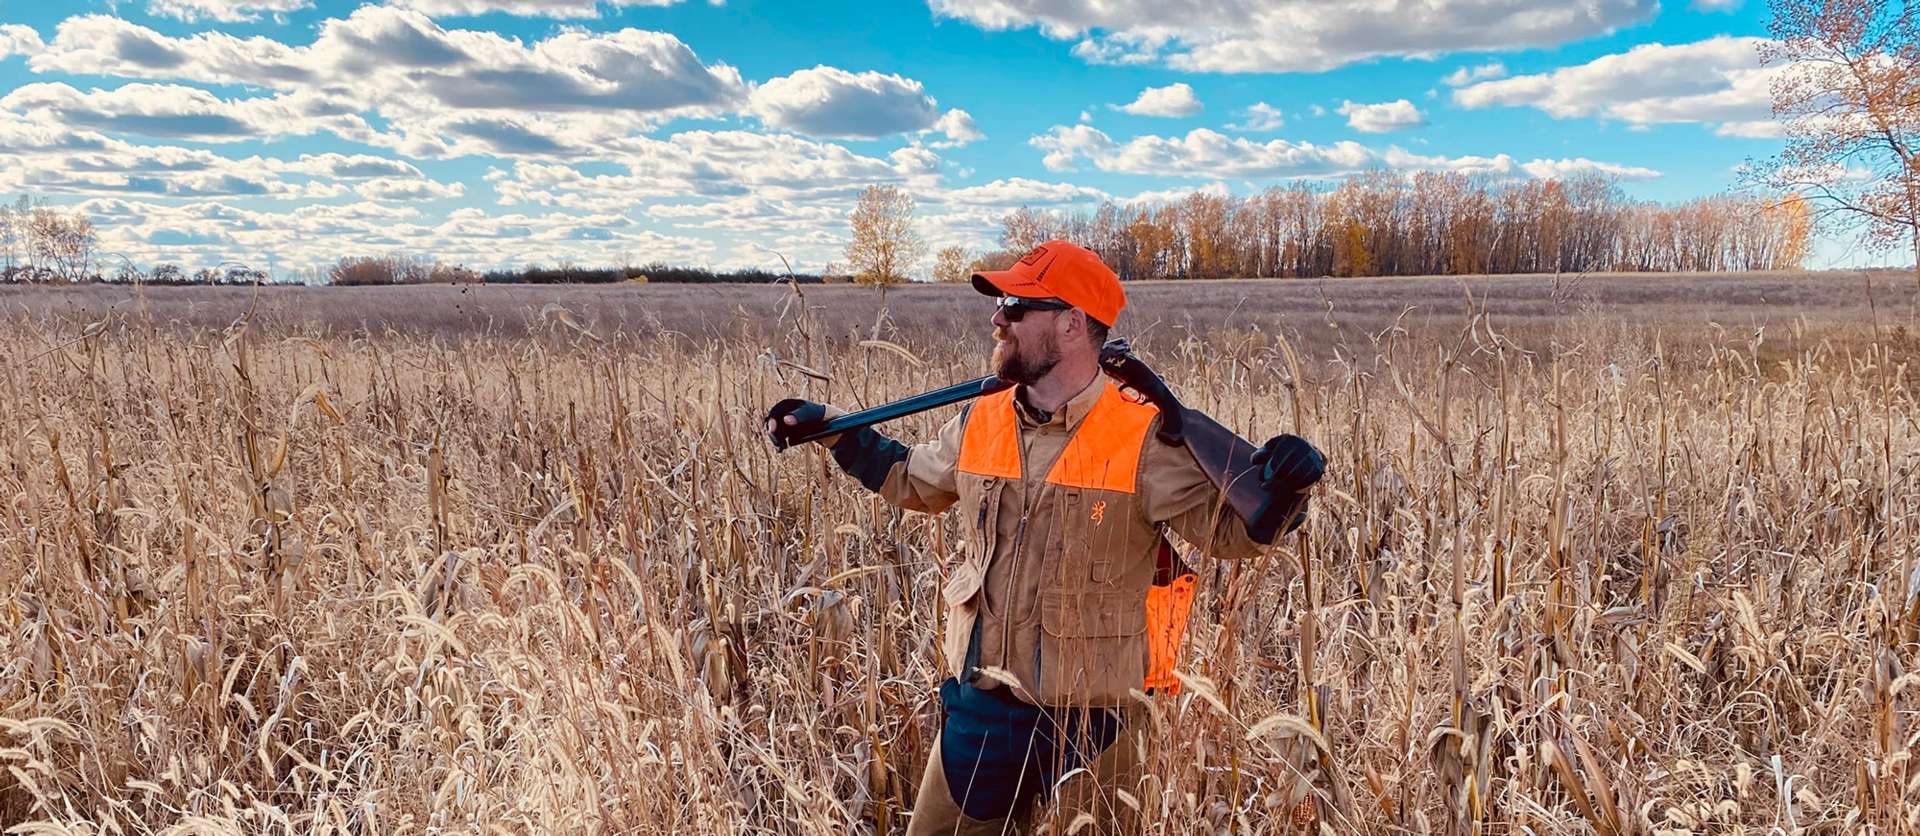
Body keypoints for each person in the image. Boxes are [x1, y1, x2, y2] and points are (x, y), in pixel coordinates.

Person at [765, 240, 1324, 834]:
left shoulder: (1147, 438)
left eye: (1014, 304)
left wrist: (1287, 488)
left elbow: (1237, 533)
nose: (997, 317)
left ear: (1071, 323)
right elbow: (913, 482)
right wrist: (836, 434)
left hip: (1098, 726)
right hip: (981, 709)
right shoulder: (979, 419)